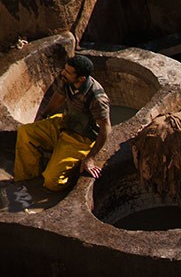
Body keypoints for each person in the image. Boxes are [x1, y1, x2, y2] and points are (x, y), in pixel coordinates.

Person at [14, 54, 111, 193]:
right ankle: (26, 180)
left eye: (68, 72)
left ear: (81, 78)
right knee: (26, 132)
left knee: (52, 181)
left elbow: (106, 129)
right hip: (64, 122)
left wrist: (90, 158)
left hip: (81, 137)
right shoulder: (67, 80)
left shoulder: (97, 98)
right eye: (64, 69)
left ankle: (72, 173)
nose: (63, 73)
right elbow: (58, 98)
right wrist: (43, 116)